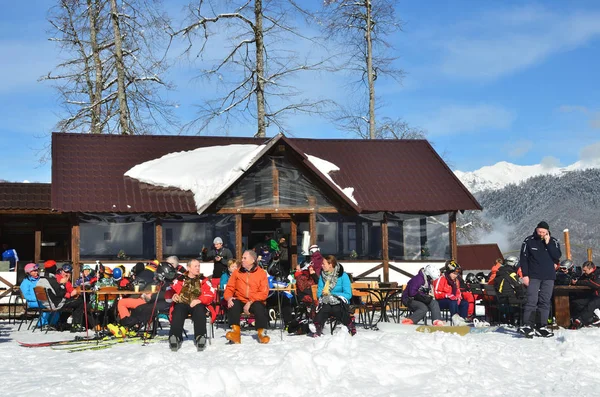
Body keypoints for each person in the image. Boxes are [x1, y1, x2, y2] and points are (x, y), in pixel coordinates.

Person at [518, 221, 561, 338]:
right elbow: (523, 259)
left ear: (547, 232)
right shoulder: (529, 241)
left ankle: (542, 326)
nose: (541, 234)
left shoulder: (554, 242)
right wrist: (525, 275)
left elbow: (557, 256)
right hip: (533, 276)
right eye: (539, 231)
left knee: (545, 301)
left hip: (549, 276)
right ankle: (528, 325)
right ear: (536, 230)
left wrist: (548, 244)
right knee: (531, 300)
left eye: (543, 232)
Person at [165, 259, 215, 352]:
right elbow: (169, 291)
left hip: (197, 303)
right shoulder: (179, 279)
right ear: (188, 268)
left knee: (200, 309)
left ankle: (200, 336)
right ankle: (175, 336)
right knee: (178, 309)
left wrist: (200, 300)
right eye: (195, 266)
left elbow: (211, 293)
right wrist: (173, 296)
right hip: (182, 303)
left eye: (199, 266)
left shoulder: (203, 279)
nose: (198, 268)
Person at [223, 250, 270, 344]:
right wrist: (228, 298)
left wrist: (250, 302)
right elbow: (229, 287)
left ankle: (261, 333)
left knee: (259, 306)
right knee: (233, 303)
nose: (242, 260)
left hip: (255, 301)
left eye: (245, 258)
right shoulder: (237, 272)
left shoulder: (261, 273)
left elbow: (264, 293)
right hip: (240, 299)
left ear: (252, 260)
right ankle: (235, 333)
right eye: (242, 258)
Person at [312, 255, 356, 337]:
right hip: (326, 301)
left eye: (324, 264)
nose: (322, 265)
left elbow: (348, 294)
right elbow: (319, 293)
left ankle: (350, 325)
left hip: (340, 301)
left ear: (330, 264)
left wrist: (334, 295)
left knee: (336, 308)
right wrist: (324, 296)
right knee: (325, 308)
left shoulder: (343, 276)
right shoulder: (322, 276)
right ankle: (318, 327)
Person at [433, 260, 469, 325]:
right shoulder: (441, 279)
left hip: (452, 300)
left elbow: (458, 291)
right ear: (449, 272)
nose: (455, 276)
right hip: (440, 301)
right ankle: (456, 320)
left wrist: (459, 297)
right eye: (454, 273)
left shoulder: (456, 281)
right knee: (452, 302)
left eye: (457, 274)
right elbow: (436, 293)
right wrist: (446, 295)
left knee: (464, 303)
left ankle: (462, 319)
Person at [493, 256, 526, 325]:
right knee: (529, 301)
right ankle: (524, 322)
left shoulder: (500, 272)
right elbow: (518, 286)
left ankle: (513, 319)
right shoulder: (511, 273)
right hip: (509, 298)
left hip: (501, 298)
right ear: (513, 264)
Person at [570, 261, 600, 328]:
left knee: (591, 304)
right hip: (591, 296)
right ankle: (592, 319)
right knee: (577, 303)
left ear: (590, 269)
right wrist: (575, 282)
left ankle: (579, 321)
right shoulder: (586, 275)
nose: (584, 272)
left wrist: (581, 282)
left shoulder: (598, 273)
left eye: (585, 270)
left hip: (598, 296)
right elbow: (580, 281)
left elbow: (596, 284)